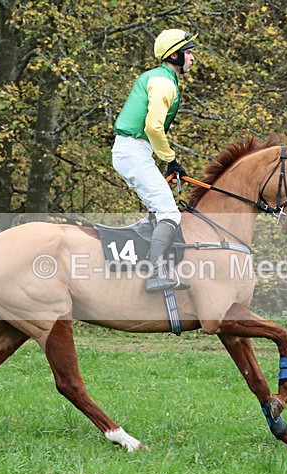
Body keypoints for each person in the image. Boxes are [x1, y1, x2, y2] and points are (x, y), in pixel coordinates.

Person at [112, 29, 197, 292]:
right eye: (189, 52)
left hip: (135, 151)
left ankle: (146, 262)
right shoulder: (163, 82)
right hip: (133, 150)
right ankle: (155, 274)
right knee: (169, 212)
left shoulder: (159, 78)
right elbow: (153, 127)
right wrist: (171, 160)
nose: (193, 57)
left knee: (159, 210)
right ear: (175, 55)